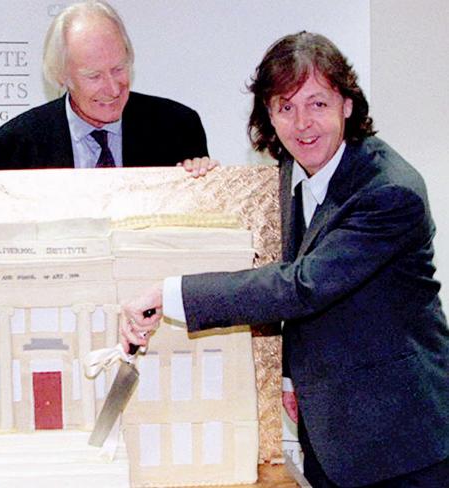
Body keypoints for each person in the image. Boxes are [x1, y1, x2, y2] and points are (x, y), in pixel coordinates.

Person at [121, 32, 449, 487]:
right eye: (285, 107)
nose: (303, 124)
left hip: (402, 445)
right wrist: (292, 376)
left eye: (317, 103)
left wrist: (170, 292)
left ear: (347, 105)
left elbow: (301, 286)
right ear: (269, 115)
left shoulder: (388, 192)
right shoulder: (297, 169)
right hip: (332, 433)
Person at [0, 0, 216, 177]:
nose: (113, 89)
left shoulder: (178, 127)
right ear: (61, 76)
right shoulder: (12, 148)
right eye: (94, 76)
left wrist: (206, 185)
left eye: (118, 69)